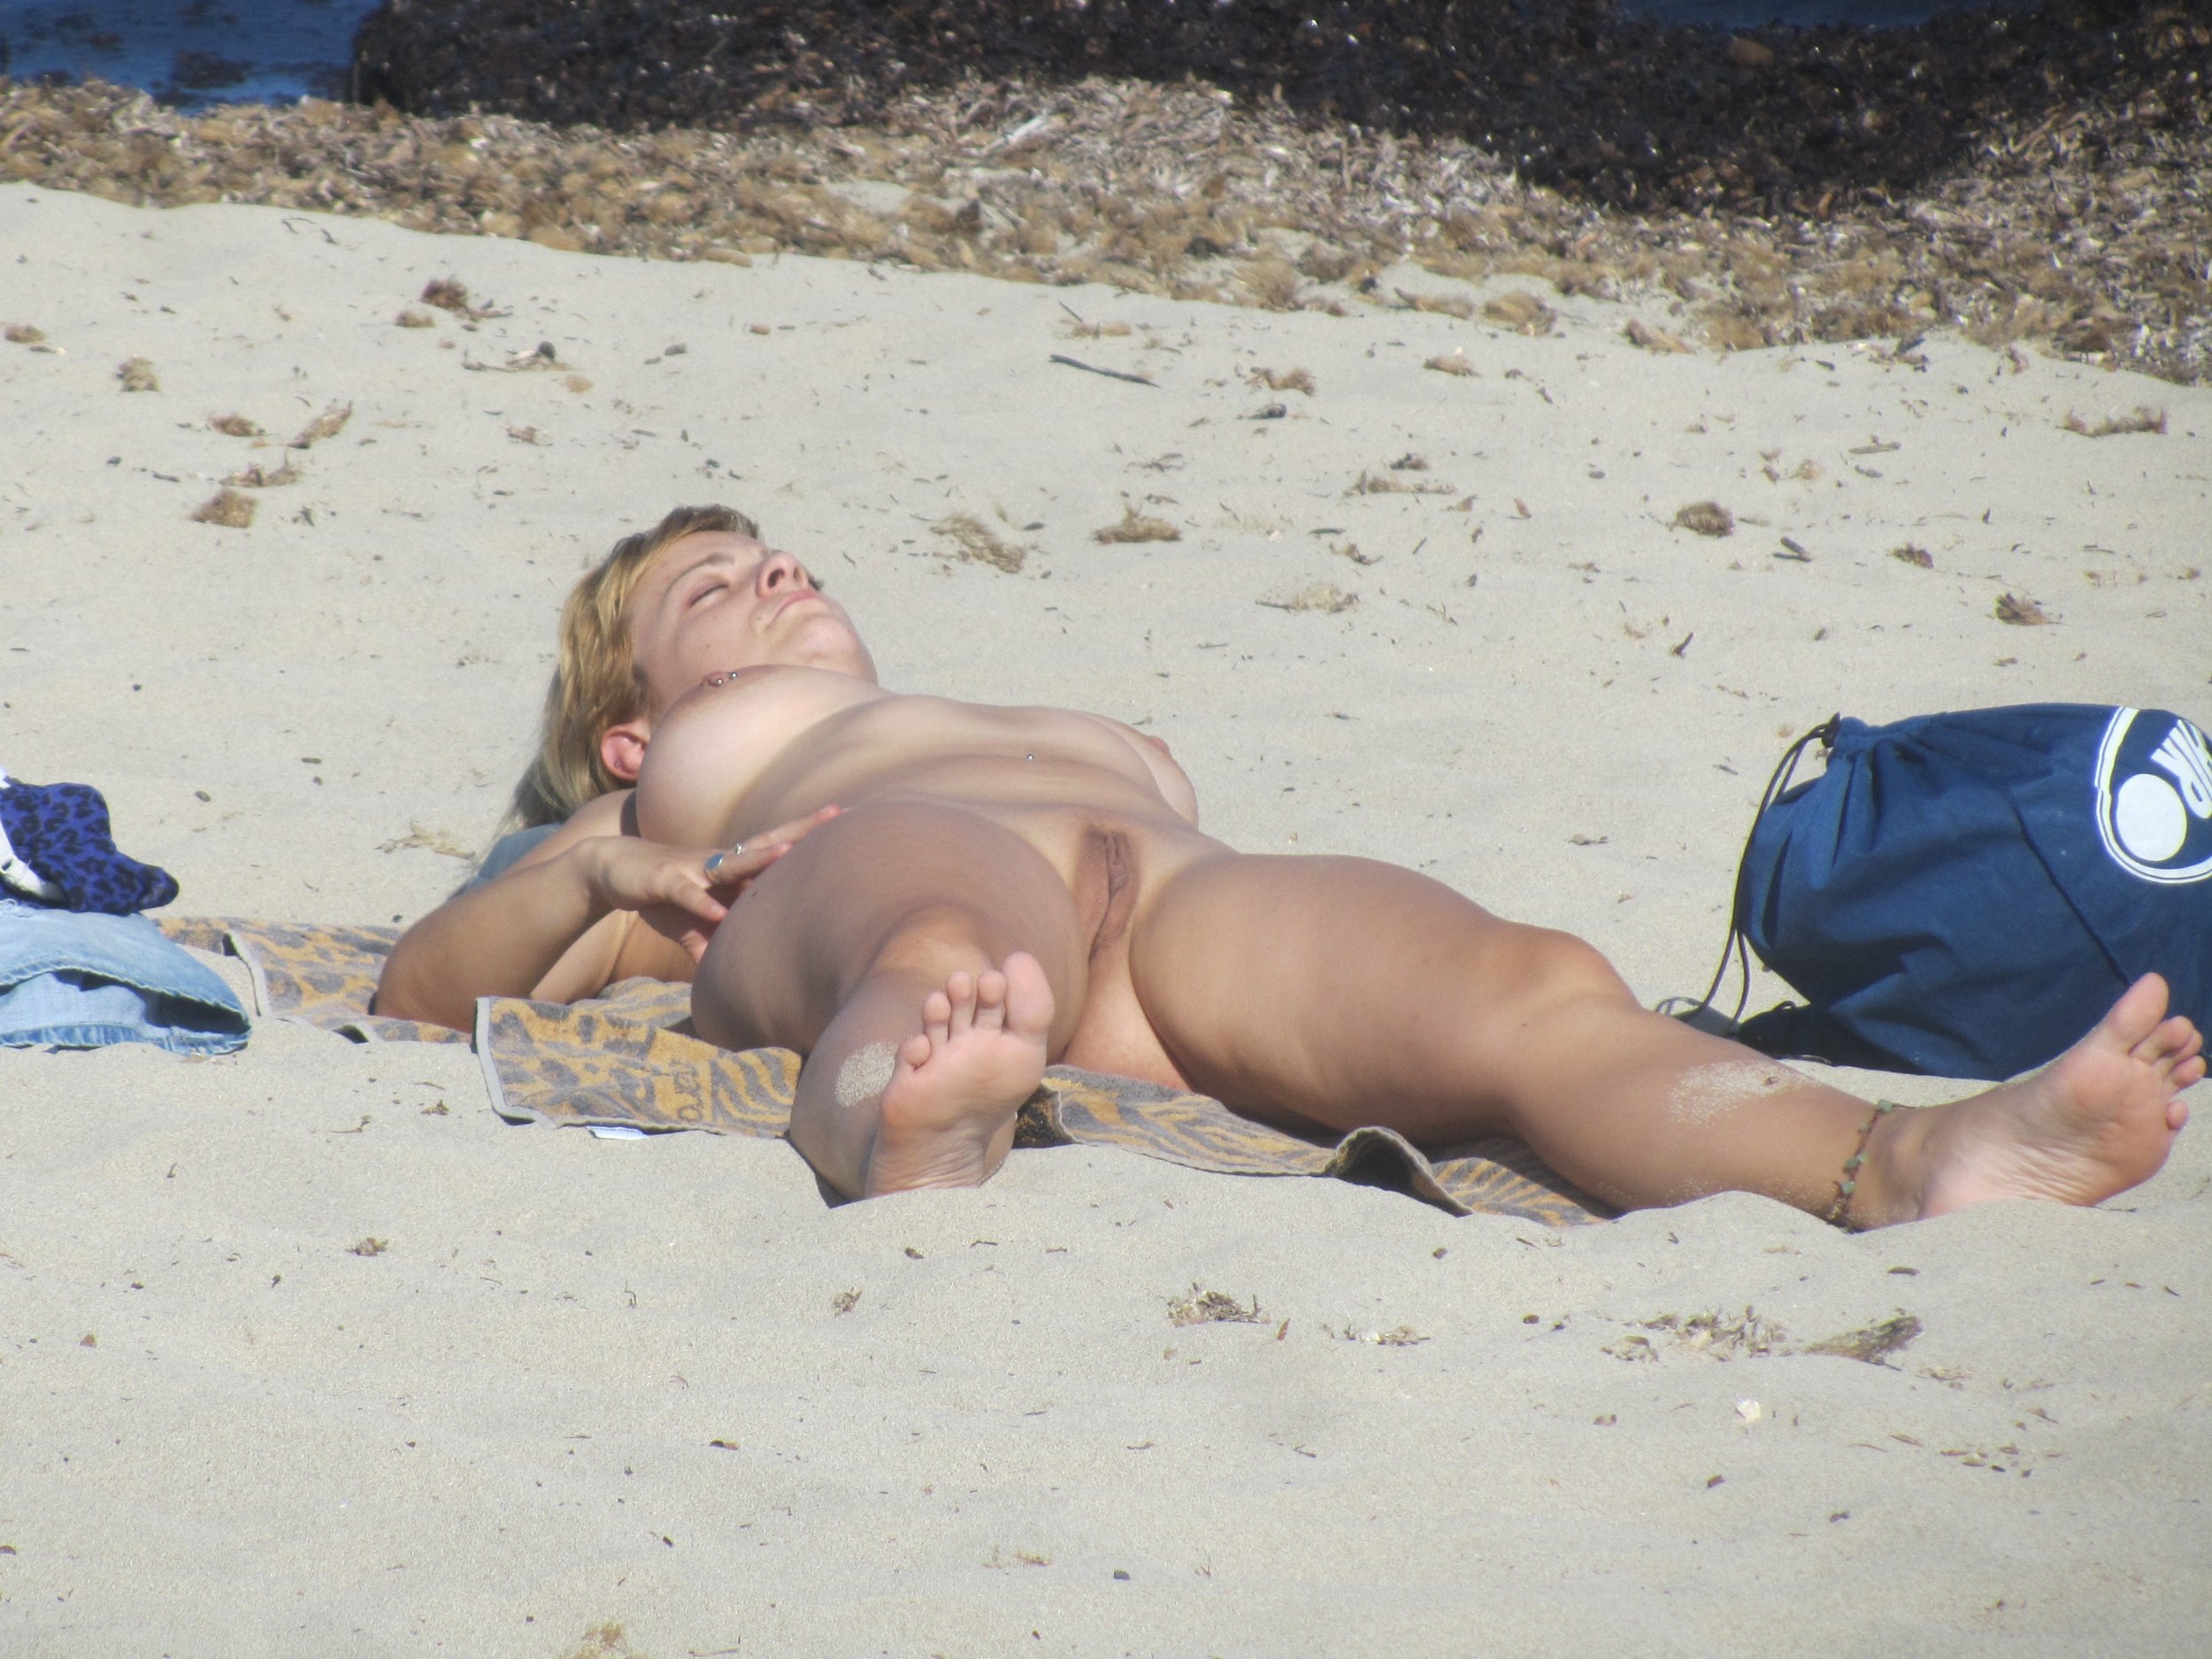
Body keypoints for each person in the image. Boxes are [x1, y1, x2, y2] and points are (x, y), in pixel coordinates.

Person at [376, 505, 2202, 1222]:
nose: (775, 571)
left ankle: (1899, 1160)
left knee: (1526, 989)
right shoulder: (676, 799)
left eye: (781, 553)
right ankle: (897, 1132)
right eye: (713, 586)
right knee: (933, 949)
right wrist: (589, 883)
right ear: (631, 726)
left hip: (1178, 917)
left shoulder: (968, 702)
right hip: (897, 868)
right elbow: (420, 990)